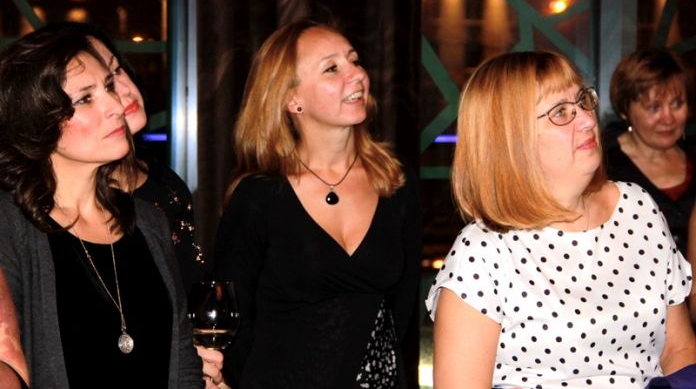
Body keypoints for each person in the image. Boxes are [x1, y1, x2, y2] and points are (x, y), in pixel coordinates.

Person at [425, 51, 696, 388]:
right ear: (512, 139)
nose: (587, 120)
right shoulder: (483, 251)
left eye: (582, 101)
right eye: (561, 112)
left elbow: (679, 349)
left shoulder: (637, 208)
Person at [212, 20, 423, 388]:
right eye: (332, 68)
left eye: (354, 61)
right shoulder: (259, 197)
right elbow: (230, 320)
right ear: (292, 99)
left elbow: (402, 316)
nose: (356, 75)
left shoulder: (396, 183)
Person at [0, 26, 205, 387]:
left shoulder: (148, 222)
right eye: (85, 99)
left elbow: (183, 367)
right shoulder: (12, 226)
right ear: (38, 121)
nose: (115, 106)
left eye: (109, 87)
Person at [603, 48, 696, 255]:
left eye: (677, 104)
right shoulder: (603, 168)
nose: (668, 118)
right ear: (625, 110)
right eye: (654, 107)